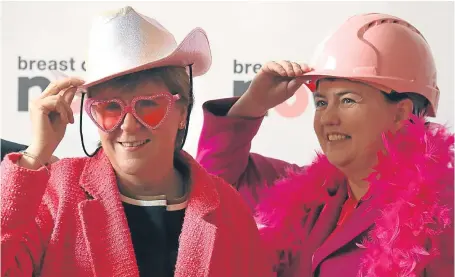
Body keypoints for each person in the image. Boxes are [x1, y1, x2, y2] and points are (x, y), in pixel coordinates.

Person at [1, 6, 268, 277]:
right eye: (109, 108)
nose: (128, 125)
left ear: (182, 112)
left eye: (149, 105)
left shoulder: (228, 207)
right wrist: (35, 156)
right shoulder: (56, 192)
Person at [196, 13, 454, 276]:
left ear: (400, 114)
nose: (328, 118)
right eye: (321, 102)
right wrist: (253, 103)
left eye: (347, 100)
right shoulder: (310, 196)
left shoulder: (442, 212)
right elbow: (215, 183)